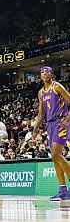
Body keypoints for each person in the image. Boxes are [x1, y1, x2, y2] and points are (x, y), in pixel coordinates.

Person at [32, 66, 70, 201]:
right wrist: (35, 129)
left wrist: (67, 119)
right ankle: (63, 190)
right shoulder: (41, 92)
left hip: (61, 122)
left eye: (47, 71)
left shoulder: (57, 86)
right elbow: (41, 113)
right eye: (42, 72)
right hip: (50, 124)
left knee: (56, 154)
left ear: (52, 74)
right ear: (40, 76)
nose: (45, 73)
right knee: (54, 157)